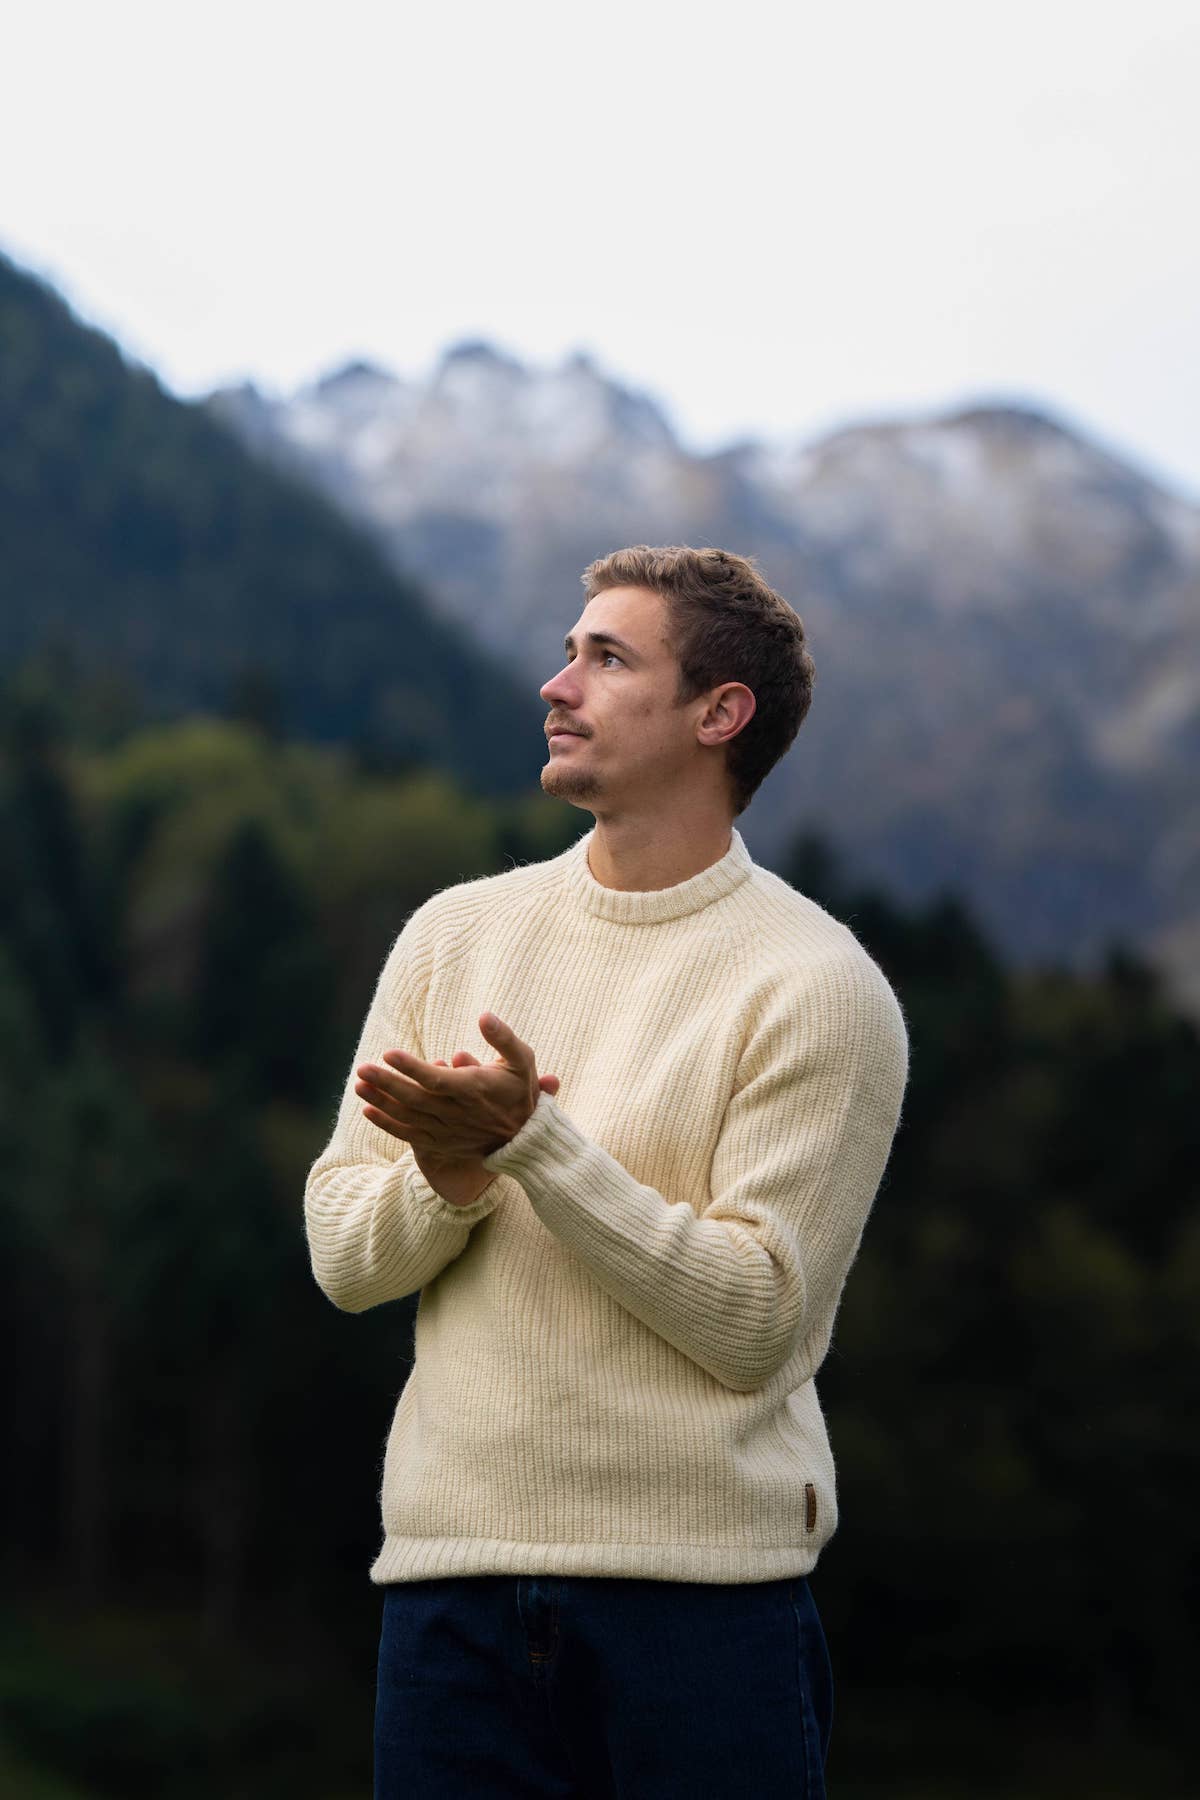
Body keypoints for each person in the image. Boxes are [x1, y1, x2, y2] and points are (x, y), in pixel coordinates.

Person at [304, 544, 910, 1799]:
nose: (556, 683)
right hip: (447, 1597)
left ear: (718, 713)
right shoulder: (455, 934)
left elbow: (758, 1321)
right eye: (569, 649)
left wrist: (534, 1145)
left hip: (705, 1616)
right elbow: (343, 1259)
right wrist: (454, 1179)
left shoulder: (820, 987)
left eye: (606, 657)